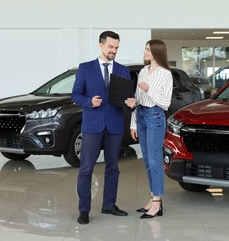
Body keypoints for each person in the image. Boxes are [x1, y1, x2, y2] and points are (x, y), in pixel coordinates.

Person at [72, 30, 132, 224]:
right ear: (101, 45)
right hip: (92, 125)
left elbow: (125, 96)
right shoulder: (85, 68)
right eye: (110, 47)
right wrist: (89, 101)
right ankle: (84, 210)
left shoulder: (123, 70)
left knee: (113, 168)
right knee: (86, 169)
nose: (113, 51)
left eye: (116, 48)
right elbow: (75, 95)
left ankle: (109, 205)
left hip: (114, 125)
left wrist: (130, 101)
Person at [125, 39, 173, 219]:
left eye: (147, 49)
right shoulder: (143, 71)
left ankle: (157, 203)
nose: (144, 52)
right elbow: (138, 98)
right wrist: (133, 122)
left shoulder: (166, 74)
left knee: (155, 161)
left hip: (155, 117)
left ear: (156, 51)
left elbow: (165, 103)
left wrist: (149, 90)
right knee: (147, 161)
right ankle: (153, 197)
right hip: (142, 116)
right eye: (145, 49)